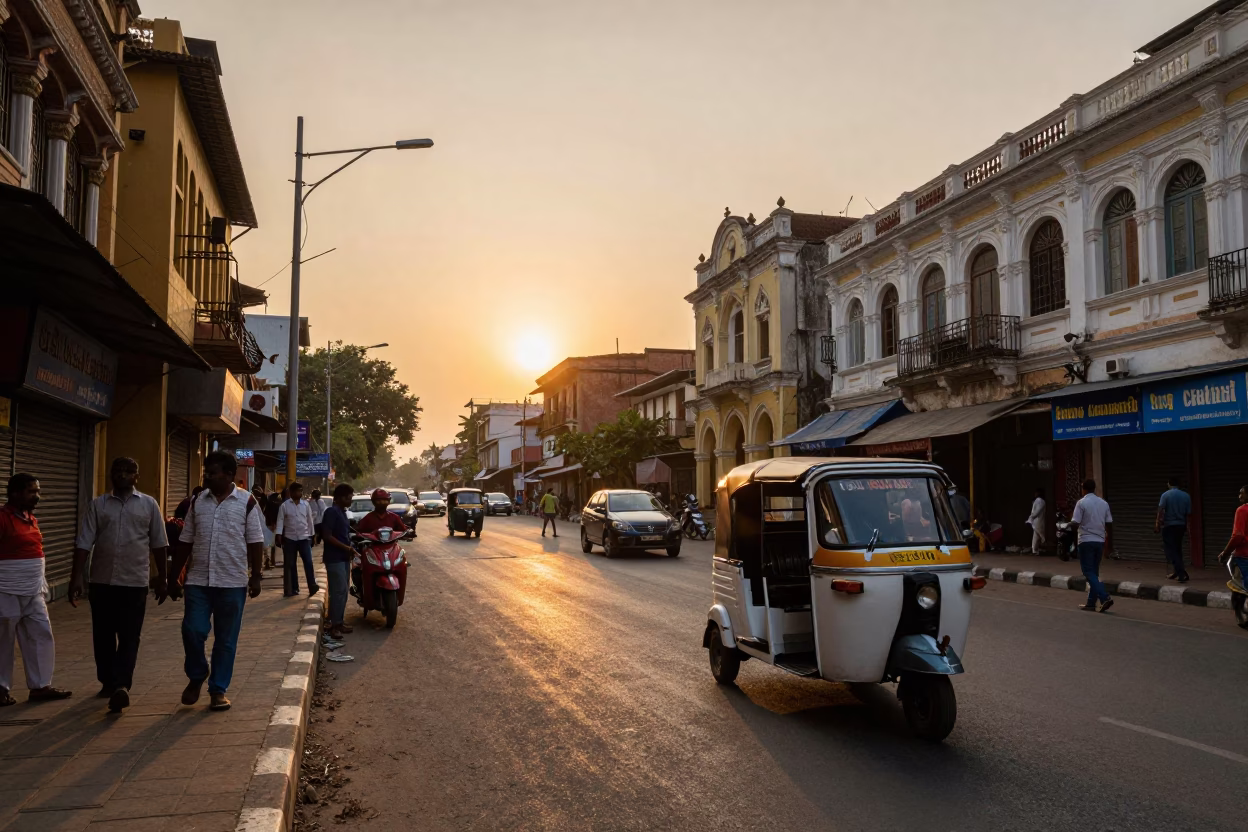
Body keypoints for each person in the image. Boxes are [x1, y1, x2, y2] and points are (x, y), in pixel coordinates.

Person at [70, 458, 169, 713]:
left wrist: (162, 579)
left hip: (134, 582)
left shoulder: (148, 505)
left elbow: (159, 543)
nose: (122, 475)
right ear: (111, 475)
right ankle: (108, 681)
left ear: (137, 476)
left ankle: (122, 685)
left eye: (128, 472)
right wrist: (76, 578)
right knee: (102, 635)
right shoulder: (98, 505)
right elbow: (84, 543)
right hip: (101, 581)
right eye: (117, 471)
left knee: (129, 636)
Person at [169, 451, 264, 711]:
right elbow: (185, 540)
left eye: (213, 473)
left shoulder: (247, 502)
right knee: (192, 630)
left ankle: (218, 689)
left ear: (230, 475)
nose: (207, 477)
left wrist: (256, 576)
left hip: (232, 582)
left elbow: (256, 541)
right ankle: (198, 673)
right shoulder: (198, 501)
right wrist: (172, 577)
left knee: (226, 639)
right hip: (198, 580)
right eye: (206, 472)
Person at [0, 473, 72, 706]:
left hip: (33, 589)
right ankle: (0, 689)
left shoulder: (30, 518)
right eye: (32, 491)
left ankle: (41, 686)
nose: (37, 496)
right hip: (6, 589)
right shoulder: (2, 518)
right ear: (15, 493)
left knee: (41, 633)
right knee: (3, 639)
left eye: (38, 491)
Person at [1069, 478, 1113, 613]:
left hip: (1086, 540)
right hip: (1099, 541)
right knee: (1094, 572)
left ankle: (1104, 597)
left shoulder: (1081, 503)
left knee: (1088, 572)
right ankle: (1090, 603)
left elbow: (1075, 522)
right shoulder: (1104, 503)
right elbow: (1109, 522)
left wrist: (1069, 527)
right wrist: (1107, 543)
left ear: (1084, 489)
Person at [321, 483, 356, 639]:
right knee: (337, 591)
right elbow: (327, 536)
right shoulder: (331, 512)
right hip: (334, 557)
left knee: (343, 591)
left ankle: (339, 622)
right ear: (341, 498)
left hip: (343, 557)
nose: (351, 500)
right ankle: (333, 625)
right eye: (349, 498)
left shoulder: (342, 513)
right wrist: (346, 548)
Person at [277, 482, 319, 598]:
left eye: (300, 491)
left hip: (304, 538)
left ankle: (312, 586)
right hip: (290, 538)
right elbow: (280, 521)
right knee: (290, 564)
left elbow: (310, 521)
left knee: (308, 562)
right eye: (296, 491)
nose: (298, 493)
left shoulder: (305, 505)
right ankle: (293, 588)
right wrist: (279, 535)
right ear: (291, 493)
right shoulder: (284, 506)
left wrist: (312, 535)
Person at [1217, 485, 1248, 630]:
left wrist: (1225, 552)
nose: (1239, 496)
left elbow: (1238, 535)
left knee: (1238, 588)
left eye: (1242, 493)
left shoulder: (1242, 510)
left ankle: (1240, 616)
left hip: (1243, 556)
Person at [1155, 476, 1192, 583]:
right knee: (1177, 549)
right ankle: (1177, 571)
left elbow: (1160, 510)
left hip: (1169, 526)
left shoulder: (1165, 495)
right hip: (1181, 526)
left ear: (1169, 484)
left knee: (1171, 550)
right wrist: (1188, 528)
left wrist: (1157, 524)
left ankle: (1181, 574)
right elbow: (1188, 514)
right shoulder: (1186, 496)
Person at [263, 490, 282, 569]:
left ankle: (267, 559)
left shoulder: (268, 504)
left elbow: (266, 513)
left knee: (267, 544)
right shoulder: (278, 505)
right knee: (272, 544)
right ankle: (272, 561)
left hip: (268, 524)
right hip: (274, 525)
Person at [1028, 487, 1046, 555]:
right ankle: (1035, 550)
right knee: (1038, 535)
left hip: (1038, 521)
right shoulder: (1039, 500)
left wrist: (1031, 518)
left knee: (1040, 535)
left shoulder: (1039, 500)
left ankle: (1038, 549)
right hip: (1037, 521)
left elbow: (1036, 511)